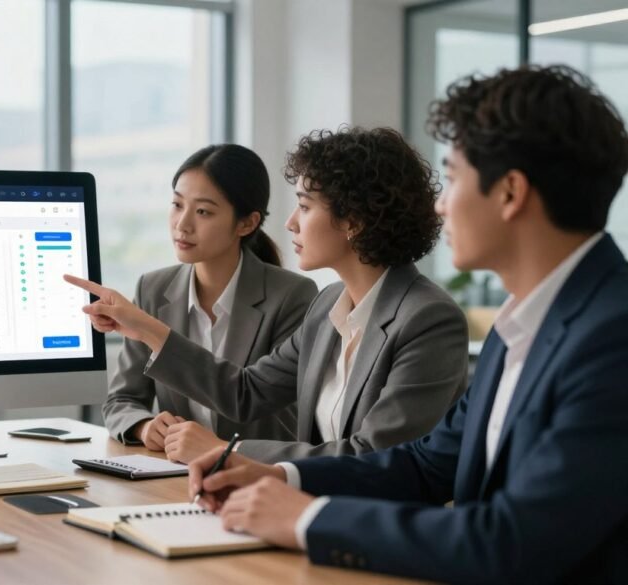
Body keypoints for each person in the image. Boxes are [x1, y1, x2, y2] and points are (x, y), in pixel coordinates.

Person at [184, 65, 628, 584]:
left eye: (455, 177)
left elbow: (512, 541)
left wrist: (306, 518)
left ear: (510, 193)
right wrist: (281, 475)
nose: (440, 204)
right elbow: (426, 465)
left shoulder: (612, 339)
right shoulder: (526, 324)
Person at [69, 127, 468, 465]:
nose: (291, 223)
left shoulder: (427, 319)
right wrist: (144, 328)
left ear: (354, 222)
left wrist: (228, 451)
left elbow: (373, 456)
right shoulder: (328, 305)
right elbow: (246, 394)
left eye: (305, 207)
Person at [102, 144, 317, 454]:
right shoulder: (153, 288)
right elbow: (122, 399)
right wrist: (145, 426)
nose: (182, 223)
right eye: (177, 204)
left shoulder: (293, 296)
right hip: (175, 475)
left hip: (255, 477)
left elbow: (251, 401)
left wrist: (153, 332)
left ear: (246, 223)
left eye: (203, 211)